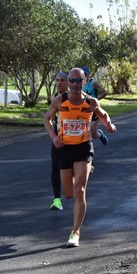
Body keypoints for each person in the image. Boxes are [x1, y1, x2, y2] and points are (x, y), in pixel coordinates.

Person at [44, 67, 117, 248]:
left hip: (83, 147)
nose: (75, 85)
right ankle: (83, 170)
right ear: (68, 82)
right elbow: (46, 119)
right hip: (65, 149)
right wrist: (54, 138)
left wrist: (109, 125)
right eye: (72, 81)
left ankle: (75, 232)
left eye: (79, 81)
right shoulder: (60, 100)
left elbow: (103, 114)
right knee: (68, 193)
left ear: (85, 81)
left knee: (80, 190)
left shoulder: (91, 102)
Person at [49, 70, 68, 211]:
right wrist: (54, 136)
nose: (59, 83)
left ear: (68, 82)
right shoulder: (54, 98)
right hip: (59, 136)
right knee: (55, 166)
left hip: (75, 138)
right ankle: (56, 200)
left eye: (62, 80)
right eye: (57, 80)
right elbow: (49, 118)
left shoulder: (76, 97)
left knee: (70, 167)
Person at [82, 66, 109, 145]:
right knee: (82, 131)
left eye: (85, 74)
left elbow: (104, 92)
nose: (84, 76)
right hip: (83, 110)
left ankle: (100, 134)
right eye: (82, 74)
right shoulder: (79, 84)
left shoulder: (93, 83)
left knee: (94, 134)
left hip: (93, 109)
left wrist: (95, 100)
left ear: (88, 74)